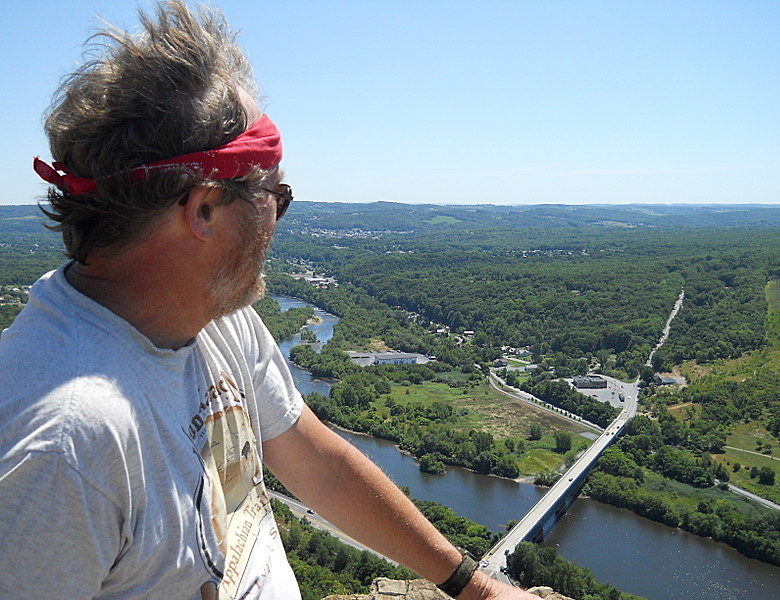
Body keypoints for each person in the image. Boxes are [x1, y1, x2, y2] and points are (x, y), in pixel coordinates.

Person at [0, 2, 541, 599]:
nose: (277, 220)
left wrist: (474, 586)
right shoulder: (64, 446)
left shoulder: (214, 320)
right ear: (203, 208)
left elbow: (322, 468)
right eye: (273, 194)